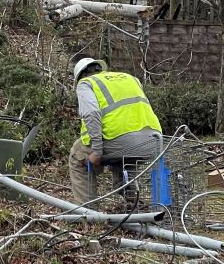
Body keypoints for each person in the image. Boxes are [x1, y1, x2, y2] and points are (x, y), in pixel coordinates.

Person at [68, 56, 162, 206]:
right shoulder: (130, 78)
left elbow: (91, 114)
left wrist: (97, 151)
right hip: (154, 141)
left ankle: (88, 213)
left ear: (81, 75)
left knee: (77, 156)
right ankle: (133, 204)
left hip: (122, 143)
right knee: (125, 159)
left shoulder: (86, 84)